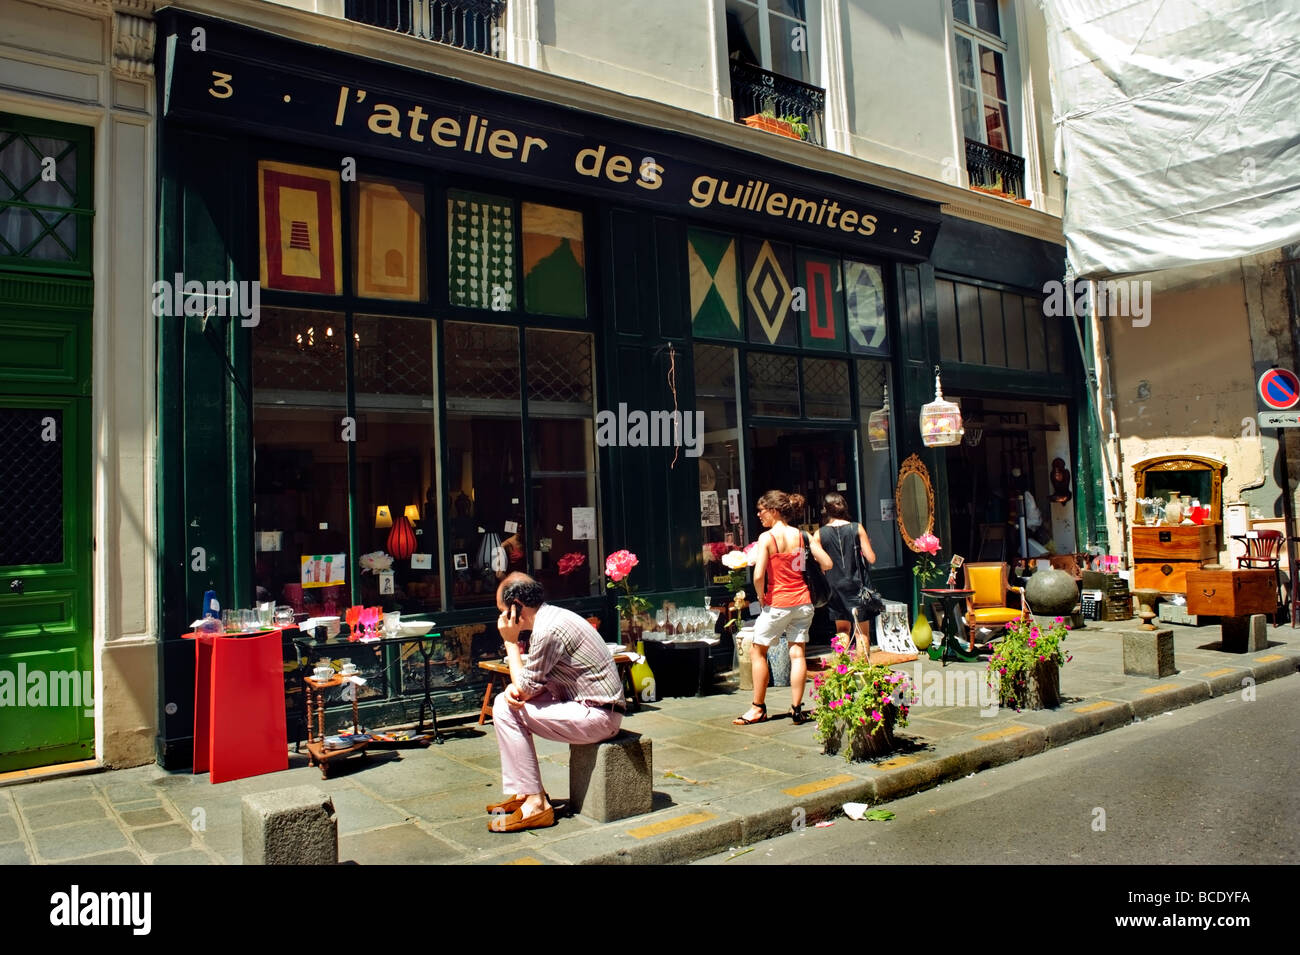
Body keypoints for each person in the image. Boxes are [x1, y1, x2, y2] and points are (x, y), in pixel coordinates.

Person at [488, 572, 625, 832]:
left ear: (516, 605)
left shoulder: (547, 630)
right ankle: (525, 792)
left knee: (505, 710)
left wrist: (510, 642)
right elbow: (529, 685)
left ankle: (536, 803)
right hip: (587, 705)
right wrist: (518, 691)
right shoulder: (553, 617)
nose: (501, 619)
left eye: (503, 611)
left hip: (598, 716)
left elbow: (523, 688)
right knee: (505, 704)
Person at [733, 490, 833, 727]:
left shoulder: (767, 538)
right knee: (797, 653)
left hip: (777, 602)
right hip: (803, 602)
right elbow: (827, 562)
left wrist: (760, 595)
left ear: (774, 511)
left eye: (762, 510)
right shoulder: (802, 536)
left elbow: (758, 575)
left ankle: (758, 707)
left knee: (758, 651)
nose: (759, 515)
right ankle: (797, 709)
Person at [813, 492, 878, 652]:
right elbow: (871, 558)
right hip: (858, 584)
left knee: (841, 629)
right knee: (861, 631)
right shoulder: (857, 527)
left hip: (834, 586)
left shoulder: (819, 534)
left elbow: (818, 564)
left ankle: (841, 668)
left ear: (825, 510)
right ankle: (863, 669)